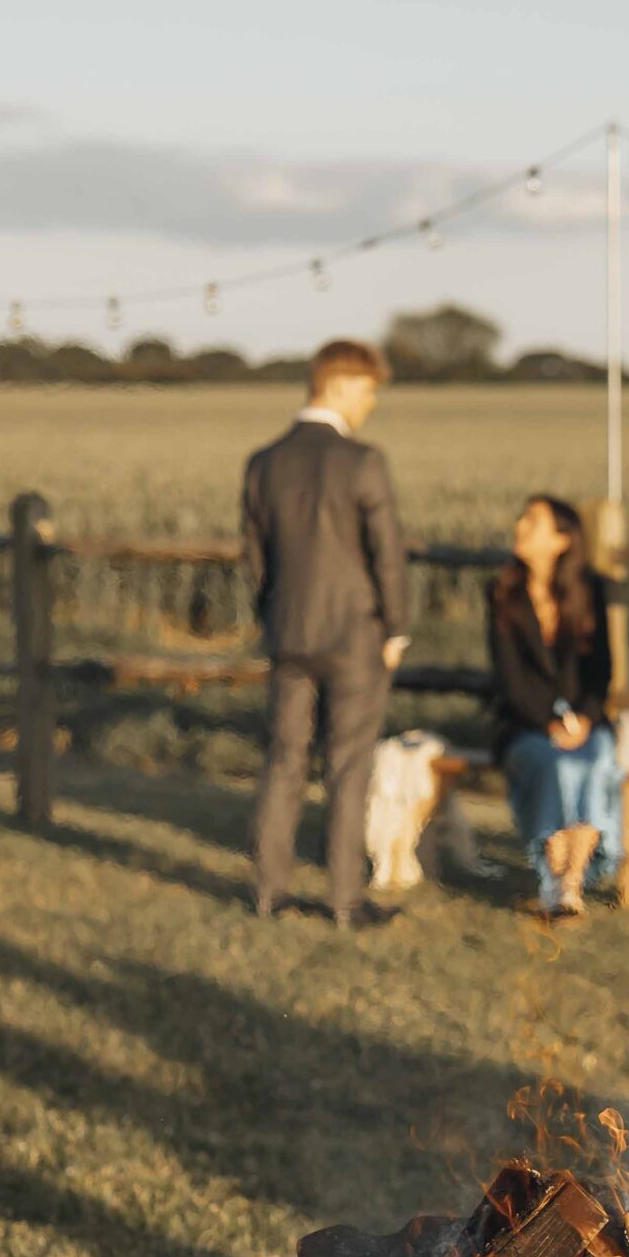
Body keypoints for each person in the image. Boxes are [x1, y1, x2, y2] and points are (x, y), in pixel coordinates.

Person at [242, 339, 411, 929]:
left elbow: (257, 559)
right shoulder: (363, 461)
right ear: (339, 385)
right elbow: (386, 556)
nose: (369, 406)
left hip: (287, 632)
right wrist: (396, 627)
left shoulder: (263, 463)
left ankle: (269, 892)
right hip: (354, 637)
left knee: (285, 760)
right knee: (348, 765)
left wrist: (272, 616)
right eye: (367, 393)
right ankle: (344, 900)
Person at [487, 495, 621, 919]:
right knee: (556, 765)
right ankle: (554, 881)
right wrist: (547, 723)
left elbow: (601, 667)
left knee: (596, 758)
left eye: (532, 521)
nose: (520, 527)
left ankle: (569, 881)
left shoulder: (590, 589)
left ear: (562, 539)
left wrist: (583, 716)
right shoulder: (503, 594)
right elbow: (509, 677)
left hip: (585, 720)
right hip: (525, 724)